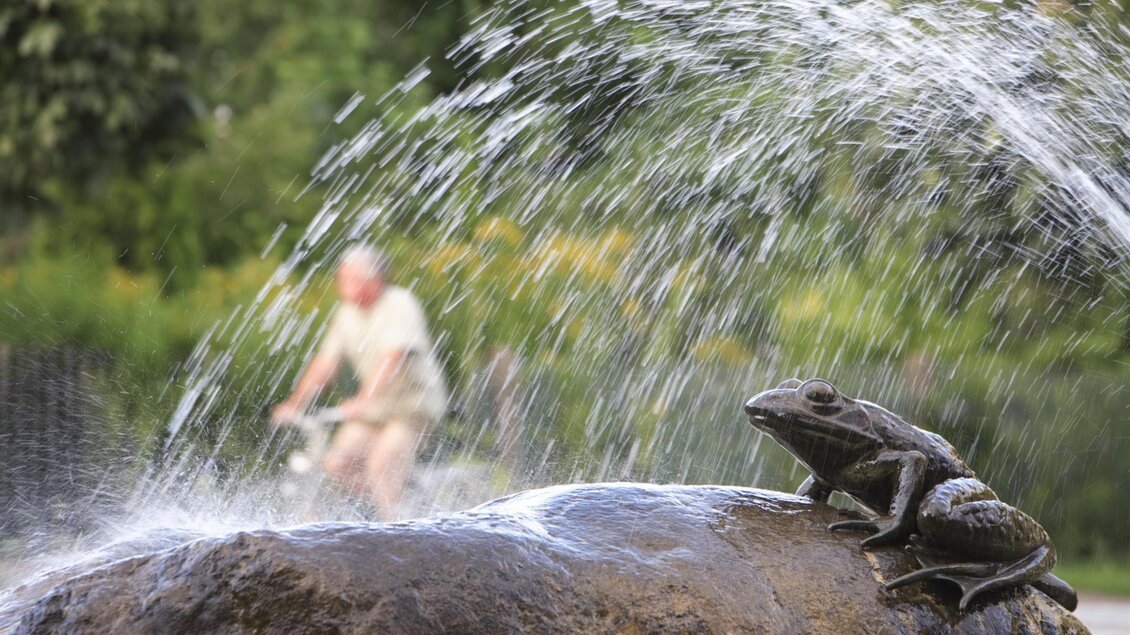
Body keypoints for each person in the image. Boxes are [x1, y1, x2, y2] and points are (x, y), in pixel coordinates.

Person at [273, 245, 447, 520]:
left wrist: (364, 400)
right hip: (374, 409)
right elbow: (326, 363)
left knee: (381, 463)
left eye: (349, 278)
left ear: (373, 279)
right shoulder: (345, 313)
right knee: (335, 463)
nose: (342, 284)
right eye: (341, 278)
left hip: (412, 406)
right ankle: (390, 512)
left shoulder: (398, 304)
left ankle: (398, 530)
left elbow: (394, 357)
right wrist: (295, 403)